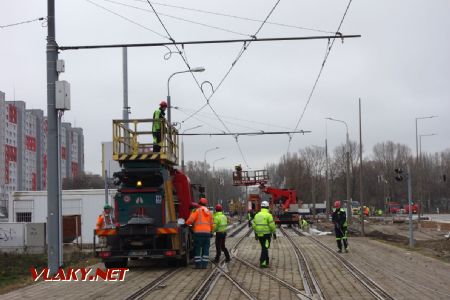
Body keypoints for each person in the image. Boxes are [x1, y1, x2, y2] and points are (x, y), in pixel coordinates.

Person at [186, 197, 214, 269]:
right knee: (206, 249)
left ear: (199, 203)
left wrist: (186, 224)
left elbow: (190, 220)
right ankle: (204, 265)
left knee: (198, 248)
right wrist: (211, 232)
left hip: (198, 233)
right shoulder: (209, 212)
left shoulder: (196, 210)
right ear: (206, 204)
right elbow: (212, 224)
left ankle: (198, 265)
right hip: (207, 234)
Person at [252, 201, 276, 268]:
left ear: (261, 207)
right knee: (265, 247)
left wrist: (256, 233)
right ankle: (262, 262)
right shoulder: (269, 215)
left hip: (259, 234)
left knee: (264, 247)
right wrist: (274, 233)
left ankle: (266, 261)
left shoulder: (257, 215)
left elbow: (254, 225)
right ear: (267, 207)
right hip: (267, 234)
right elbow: (272, 226)